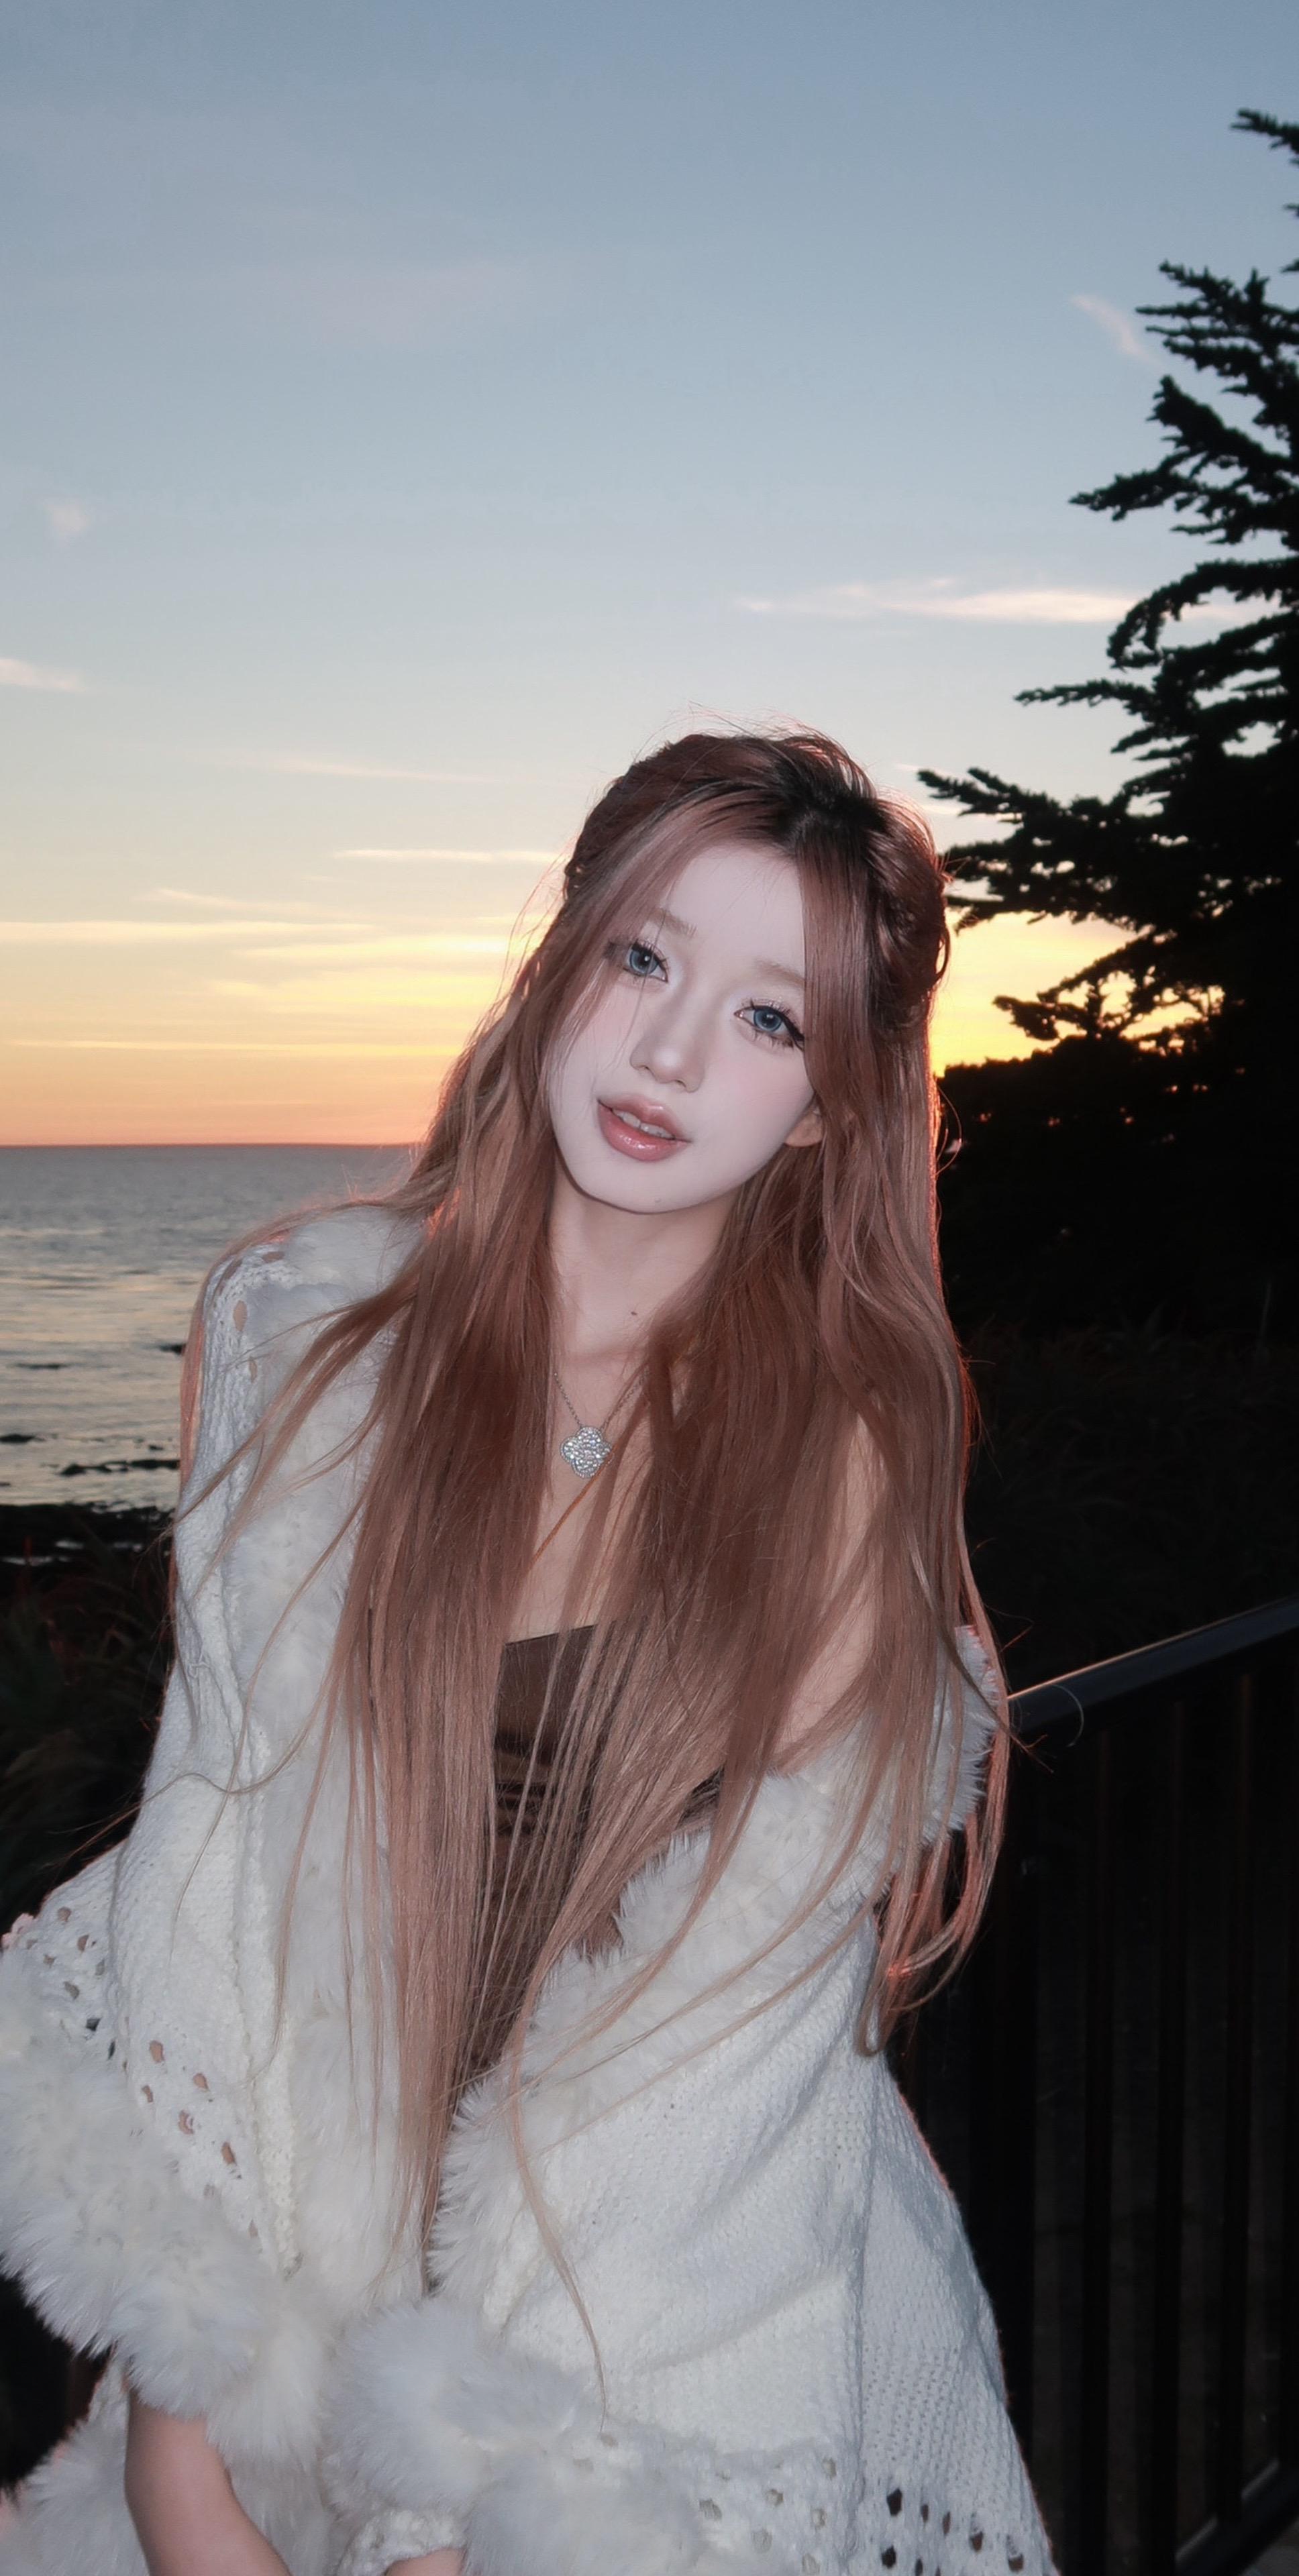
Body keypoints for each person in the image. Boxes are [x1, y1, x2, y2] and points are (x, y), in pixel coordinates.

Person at [0, 728, 1057, 2576]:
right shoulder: (304, 1336)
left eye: (768, 1017)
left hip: (665, 2318)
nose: (670, 1053)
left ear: (829, 1105)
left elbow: (723, 2051)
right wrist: (187, 2399)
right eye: (645, 959)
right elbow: (216, 1870)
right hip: (290, 2255)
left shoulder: (839, 1452)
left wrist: (471, 2506)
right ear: (562, 967)